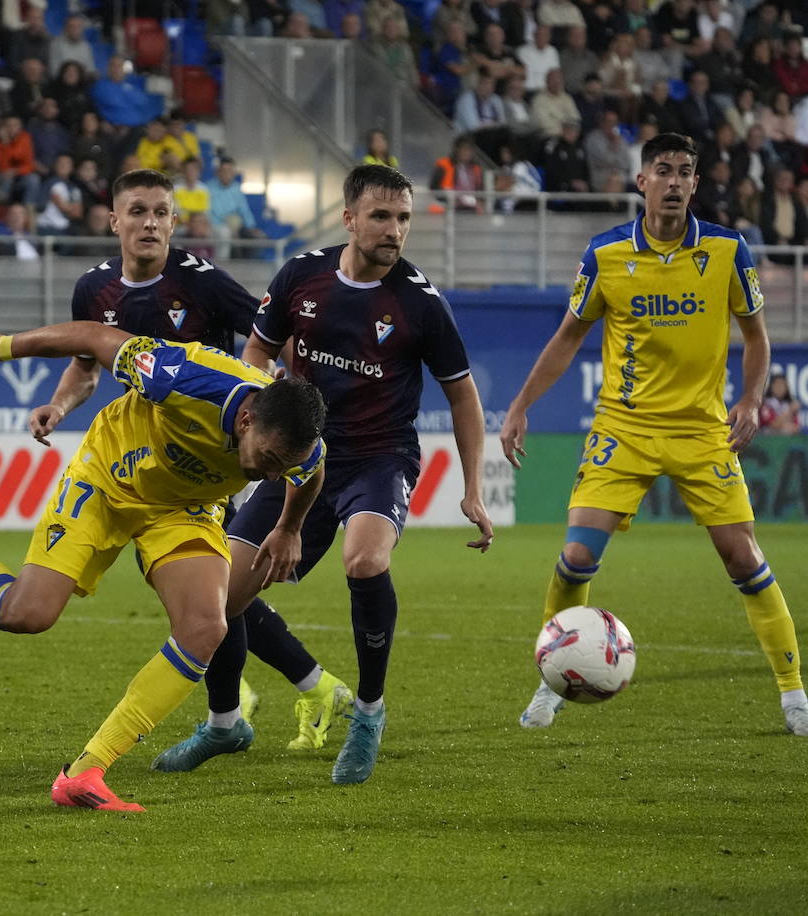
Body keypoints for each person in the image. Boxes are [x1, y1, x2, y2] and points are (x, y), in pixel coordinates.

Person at [0, 317, 328, 812]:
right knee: (26, 615)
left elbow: (312, 471)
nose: (271, 472)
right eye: (268, 457)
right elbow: (92, 337)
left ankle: (86, 771)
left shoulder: (296, 442)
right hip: (107, 480)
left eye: (282, 465)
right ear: (246, 422)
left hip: (183, 510)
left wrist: (288, 527)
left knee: (205, 627)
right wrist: (3, 347)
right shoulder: (181, 375)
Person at [153, 164, 492, 783]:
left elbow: (463, 395)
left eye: (404, 219)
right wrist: (258, 418)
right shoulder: (301, 276)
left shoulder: (420, 304)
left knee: (365, 562)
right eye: (382, 217)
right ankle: (225, 726)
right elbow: (255, 351)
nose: (395, 231)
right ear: (349, 219)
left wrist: (472, 488)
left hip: (377, 459)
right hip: (299, 457)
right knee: (217, 602)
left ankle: (367, 713)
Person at [33, 167, 354, 750]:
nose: (150, 222)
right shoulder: (93, 290)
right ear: (115, 222)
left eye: (161, 212)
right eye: (138, 211)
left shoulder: (203, 284)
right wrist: (58, 407)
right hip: (149, 452)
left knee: (209, 591)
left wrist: (281, 396)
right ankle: (273, 696)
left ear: (175, 222)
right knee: (208, 595)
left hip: (228, 450)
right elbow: (85, 364)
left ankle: (235, 714)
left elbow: (269, 333)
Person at [500, 132, 807, 738]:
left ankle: (794, 692)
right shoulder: (606, 254)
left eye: (684, 171)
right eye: (661, 170)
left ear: (695, 183)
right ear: (641, 181)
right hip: (624, 426)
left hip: (700, 429)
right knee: (577, 555)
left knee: (742, 556)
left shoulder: (726, 250)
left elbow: (755, 334)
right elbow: (567, 336)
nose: (672, 181)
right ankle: (553, 677)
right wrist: (520, 405)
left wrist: (748, 397)